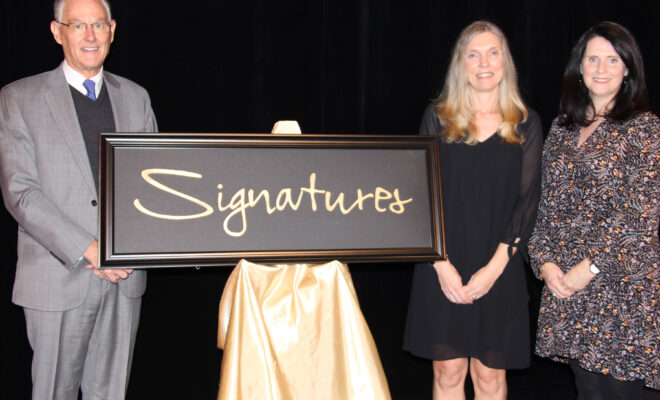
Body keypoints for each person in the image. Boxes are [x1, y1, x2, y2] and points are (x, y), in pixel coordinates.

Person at [0, 0, 157, 398]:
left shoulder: (136, 97)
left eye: (99, 25)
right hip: (57, 279)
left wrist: (124, 253)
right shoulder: (19, 98)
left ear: (113, 30)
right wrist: (90, 250)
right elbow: (21, 193)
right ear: (57, 32)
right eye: (78, 25)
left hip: (123, 279)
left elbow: (154, 189)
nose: (90, 35)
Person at [404, 21, 542, 399]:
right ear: (460, 64)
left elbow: (527, 202)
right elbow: (420, 195)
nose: (484, 62)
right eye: (473, 54)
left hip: (500, 266)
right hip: (442, 265)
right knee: (447, 375)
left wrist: (495, 269)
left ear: (506, 61)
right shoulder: (437, 117)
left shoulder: (527, 123)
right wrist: (440, 264)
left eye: (493, 52)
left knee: (489, 379)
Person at [528, 21, 659, 399]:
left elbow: (639, 217)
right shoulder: (562, 130)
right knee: (588, 392)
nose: (601, 69)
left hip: (622, 291)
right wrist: (545, 264)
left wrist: (590, 267)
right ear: (579, 70)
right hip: (569, 291)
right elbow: (546, 209)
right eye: (593, 59)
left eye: (612, 60)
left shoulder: (645, 129)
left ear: (627, 69)